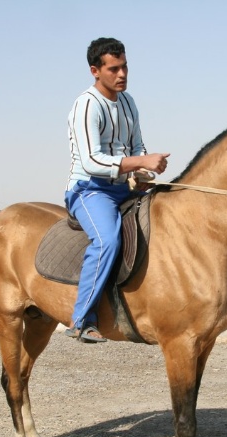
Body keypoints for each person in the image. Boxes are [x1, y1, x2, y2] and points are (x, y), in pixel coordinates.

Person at [64, 37, 170, 343]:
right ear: (95, 71)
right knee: (107, 239)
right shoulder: (86, 105)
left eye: (124, 67)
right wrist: (139, 161)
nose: (122, 74)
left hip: (124, 187)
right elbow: (92, 160)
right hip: (89, 189)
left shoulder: (128, 102)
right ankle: (82, 319)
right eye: (114, 69)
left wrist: (147, 170)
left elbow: (138, 146)